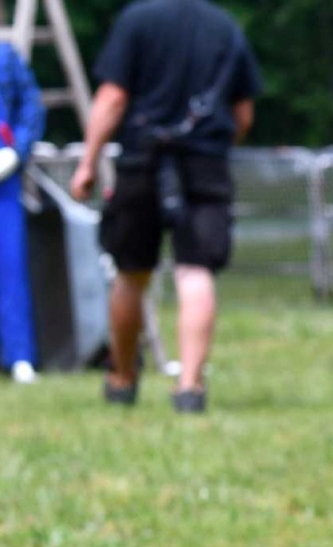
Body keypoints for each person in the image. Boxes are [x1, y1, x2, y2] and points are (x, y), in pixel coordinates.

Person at [70, 0, 262, 414]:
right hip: (205, 162)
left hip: (143, 160)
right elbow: (243, 114)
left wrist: (88, 162)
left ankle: (122, 379)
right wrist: (217, 148)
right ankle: (190, 387)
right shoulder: (226, 27)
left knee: (130, 273)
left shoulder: (137, 20)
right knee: (195, 270)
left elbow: (113, 98)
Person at [0, 41, 44, 385]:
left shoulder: (6, 56)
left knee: (9, 266)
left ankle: (19, 357)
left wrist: (17, 151)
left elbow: (30, 106)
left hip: (3, 177)